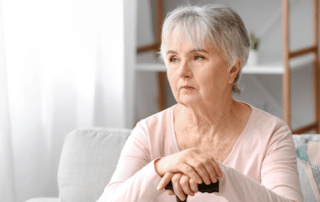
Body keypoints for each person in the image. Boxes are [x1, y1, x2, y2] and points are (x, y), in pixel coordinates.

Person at [97, 4, 303, 202]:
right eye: (174, 59)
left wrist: (218, 177)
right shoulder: (148, 132)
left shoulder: (271, 134)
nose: (182, 72)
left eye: (197, 57)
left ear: (232, 69)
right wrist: (162, 167)